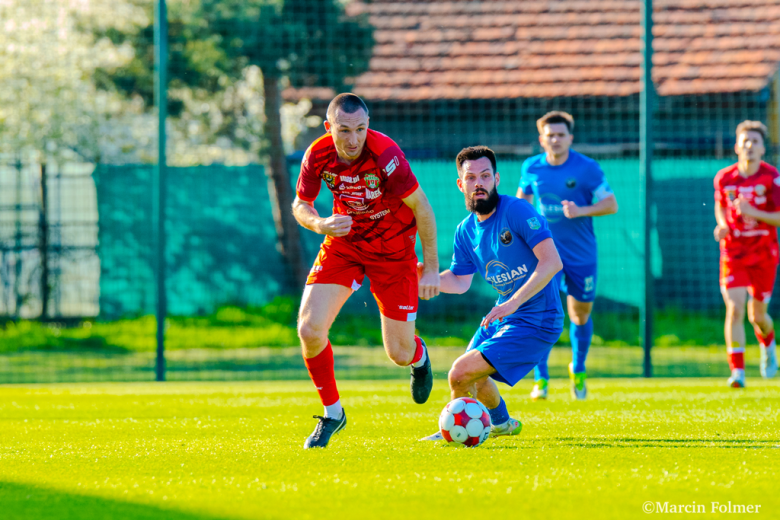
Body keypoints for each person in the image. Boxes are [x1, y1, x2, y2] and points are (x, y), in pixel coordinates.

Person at [292, 93, 441, 448]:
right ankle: (332, 414)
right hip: (345, 245)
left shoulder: (386, 154)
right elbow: (301, 203)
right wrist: (320, 224)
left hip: (393, 254)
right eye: (344, 130)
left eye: (360, 129)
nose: (354, 138)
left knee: (399, 354)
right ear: (329, 128)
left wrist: (432, 267)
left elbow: (422, 207)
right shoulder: (317, 154)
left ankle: (419, 359)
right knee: (310, 330)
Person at [422, 146, 564, 441]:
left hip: (539, 318)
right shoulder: (465, 230)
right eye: (471, 177)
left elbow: (552, 262)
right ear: (461, 184)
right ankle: (499, 423)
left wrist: (512, 303)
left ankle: (455, 431)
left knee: (460, 372)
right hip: (505, 315)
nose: (479, 183)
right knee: (470, 374)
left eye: (485, 176)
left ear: (496, 179)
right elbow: (460, 281)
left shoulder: (517, 211)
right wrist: (426, 278)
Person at [516, 111, 618, 400]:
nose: (556, 140)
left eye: (561, 135)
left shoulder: (587, 168)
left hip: (581, 255)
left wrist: (581, 210)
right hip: (544, 255)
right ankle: (541, 379)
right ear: (541, 139)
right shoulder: (531, 167)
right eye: (550, 135)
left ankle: (579, 368)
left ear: (570, 138)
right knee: (541, 313)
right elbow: (521, 204)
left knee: (579, 314)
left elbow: (611, 204)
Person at [713, 120, 780, 388]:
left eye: (755, 141)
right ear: (736, 148)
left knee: (757, 316)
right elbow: (721, 207)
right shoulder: (724, 178)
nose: (750, 146)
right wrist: (723, 225)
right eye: (745, 142)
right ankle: (738, 372)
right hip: (734, 253)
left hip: (764, 253)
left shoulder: (771, 177)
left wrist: (754, 213)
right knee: (735, 308)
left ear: (763, 148)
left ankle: (768, 343)